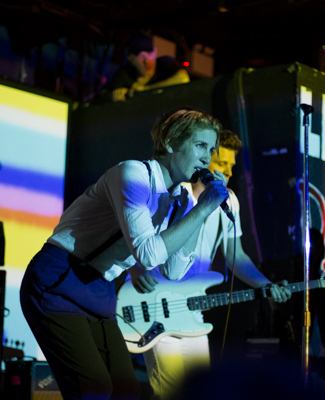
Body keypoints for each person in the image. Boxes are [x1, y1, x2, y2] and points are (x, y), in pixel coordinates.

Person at [20, 108, 229, 400]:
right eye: (200, 145)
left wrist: (195, 210)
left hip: (101, 288)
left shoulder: (178, 199)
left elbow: (174, 271)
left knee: (126, 391)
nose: (207, 158)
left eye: (211, 149)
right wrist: (203, 209)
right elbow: (147, 255)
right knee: (93, 390)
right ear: (170, 142)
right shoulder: (133, 174)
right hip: (59, 279)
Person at [126, 130, 292, 399]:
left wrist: (267, 285)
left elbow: (236, 256)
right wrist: (136, 268)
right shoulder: (174, 193)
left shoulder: (230, 202)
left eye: (231, 166)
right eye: (222, 164)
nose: (228, 172)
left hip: (192, 310)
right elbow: (135, 239)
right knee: (169, 392)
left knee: (198, 392)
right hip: (157, 305)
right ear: (203, 161)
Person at [101, 33, 190, 102]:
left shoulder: (165, 63)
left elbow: (184, 78)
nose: (147, 61)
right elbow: (103, 94)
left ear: (155, 52)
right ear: (131, 59)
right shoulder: (125, 74)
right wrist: (113, 95)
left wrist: (144, 90)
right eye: (141, 57)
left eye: (150, 54)